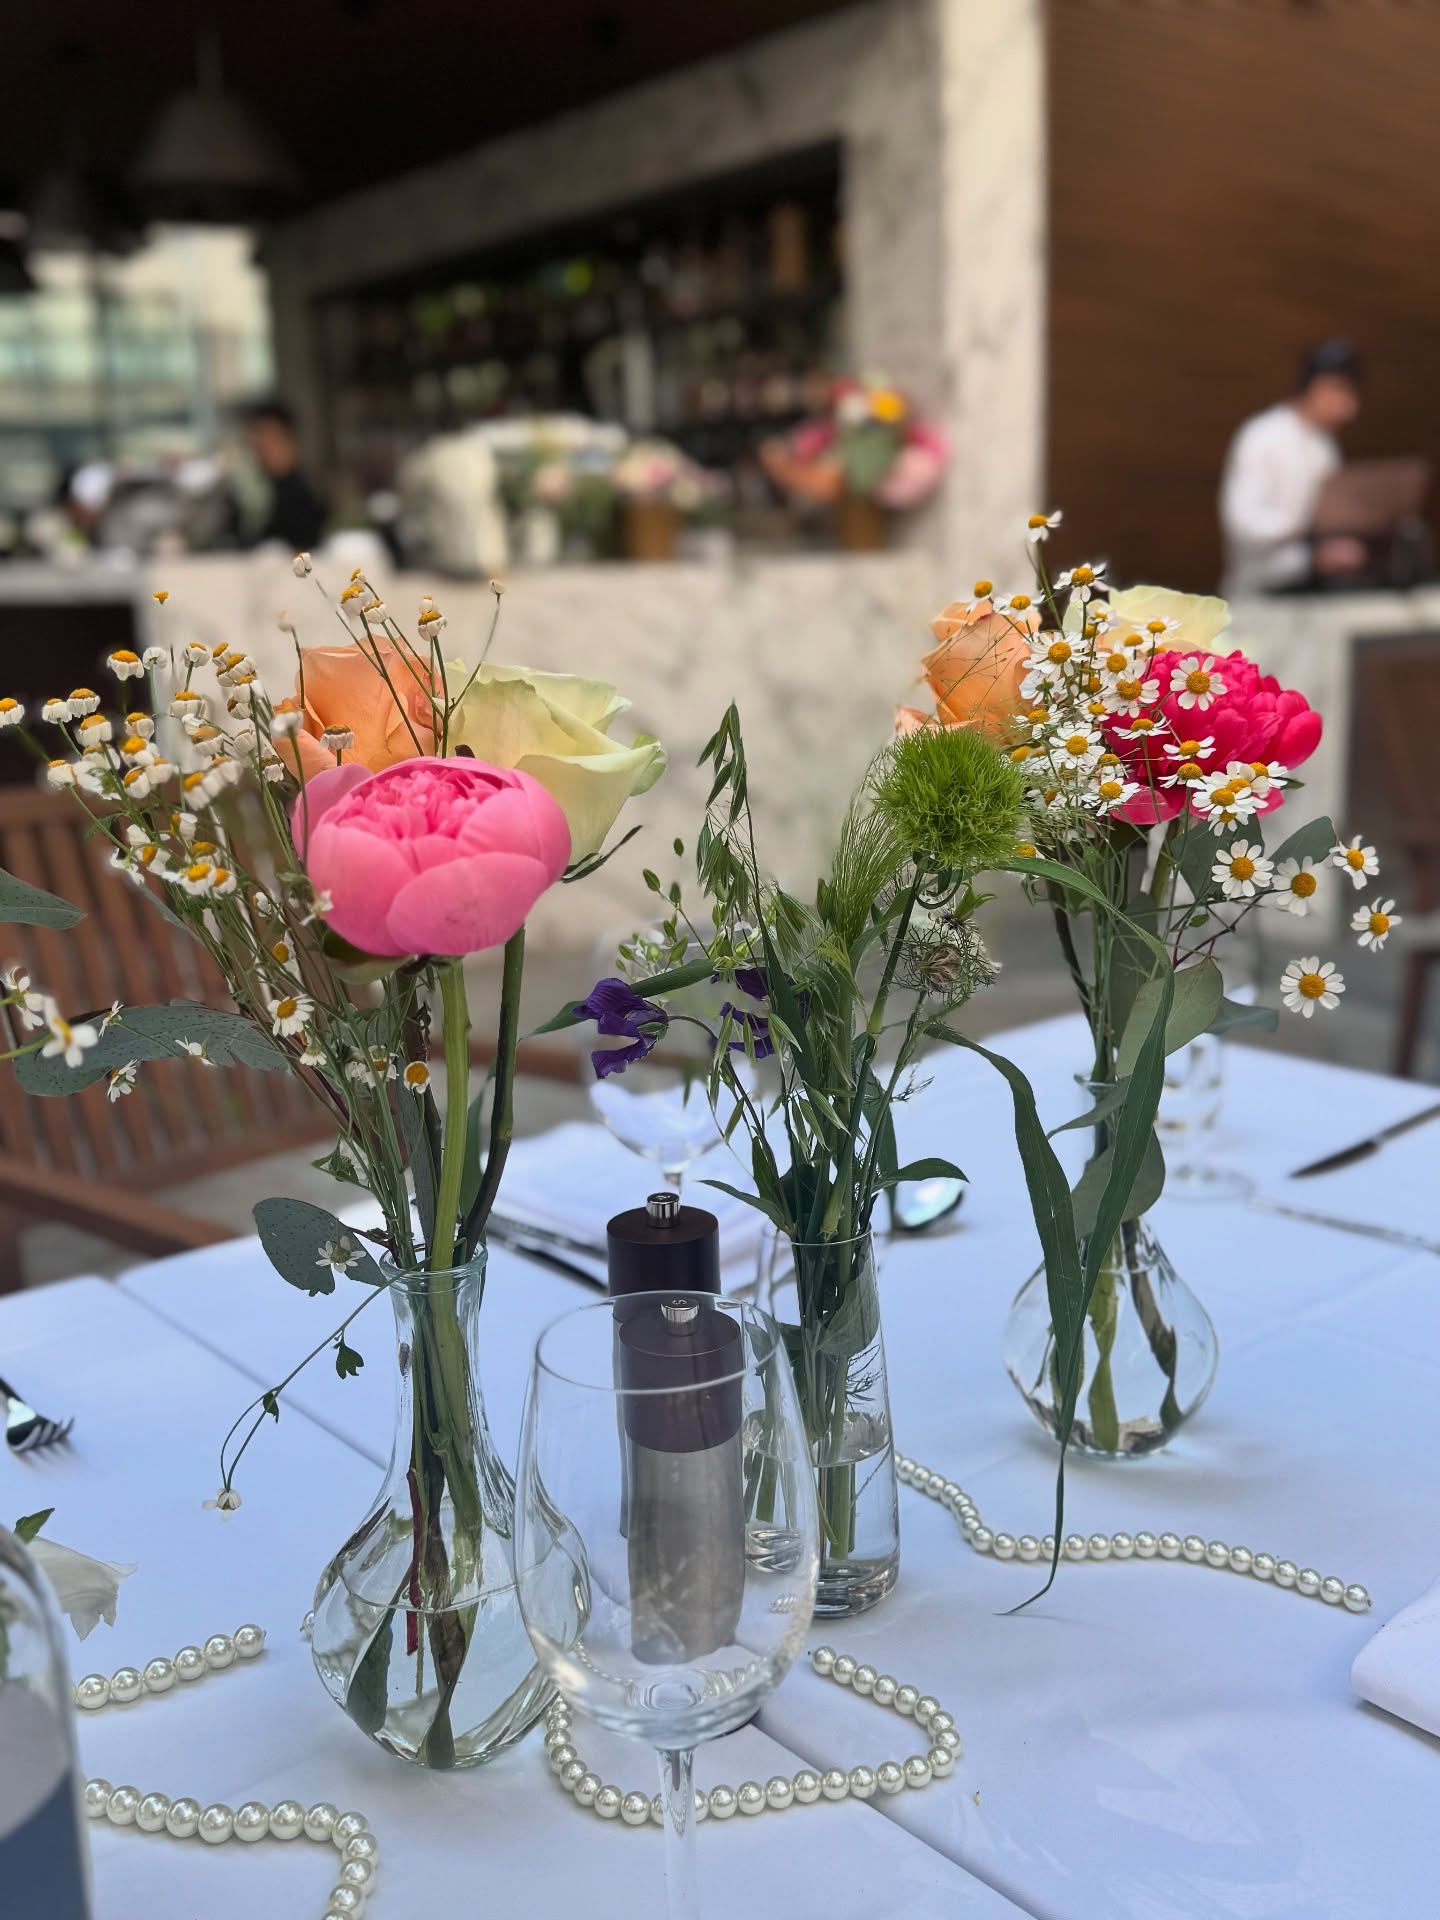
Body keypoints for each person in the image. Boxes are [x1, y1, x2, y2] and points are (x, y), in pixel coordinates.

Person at [1219, 339, 1367, 597]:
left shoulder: (1325, 446)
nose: (1350, 408)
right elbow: (1243, 523)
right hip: (1260, 594)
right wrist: (1305, 537)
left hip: (1310, 589)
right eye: (1342, 392)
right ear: (1316, 386)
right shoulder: (1263, 435)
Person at [242, 399, 328, 552]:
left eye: (267, 438)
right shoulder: (264, 491)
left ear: (288, 440)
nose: (259, 448)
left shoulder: (303, 497)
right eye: (255, 438)